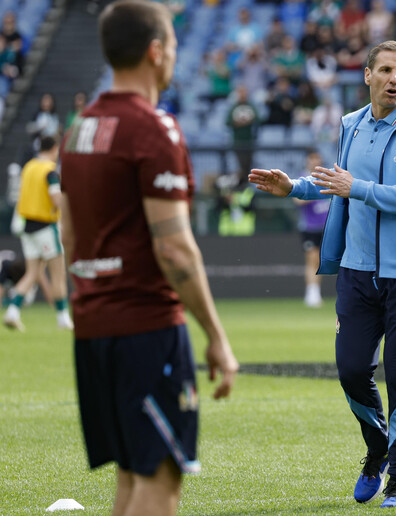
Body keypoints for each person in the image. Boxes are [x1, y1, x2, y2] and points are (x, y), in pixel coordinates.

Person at [58, 3, 238, 515]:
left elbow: (68, 233)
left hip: (94, 327)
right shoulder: (154, 129)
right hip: (147, 328)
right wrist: (216, 337)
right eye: (174, 47)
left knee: (132, 477)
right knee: (159, 483)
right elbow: (174, 248)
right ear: (156, 51)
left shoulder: (79, 129)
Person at [249, 40, 396, 508]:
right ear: (367, 75)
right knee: (352, 371)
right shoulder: (351, 124)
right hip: (357, 272)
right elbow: (338, 185)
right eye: (387, 70)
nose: (395, 80)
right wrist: (294, 188)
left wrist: (357, 187)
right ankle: (378, 449)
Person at [3, 136, 72, 331]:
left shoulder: (29, 167)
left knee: (32, 273)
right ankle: (63, 318)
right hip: (46, 226)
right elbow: (56, 198)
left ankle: (12, 311)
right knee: (58, 274)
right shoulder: (50, 170)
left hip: (27, 227)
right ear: (54, 149)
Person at [292, 150, 329, 308]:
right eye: (312, 159)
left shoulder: (326, 177)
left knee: (320, 261)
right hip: (309, 227)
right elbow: (297, 201)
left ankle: (315, 292)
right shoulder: (303, 178)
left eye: (317, 158)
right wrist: (314, 191)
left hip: (325, 226)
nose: (315, 161)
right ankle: (311, 293)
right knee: (312, 259)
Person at [226, 84, 260, 181]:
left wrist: (248, 121)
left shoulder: (251, 106)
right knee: (241, 165)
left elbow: (258, 119)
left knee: (248, 166)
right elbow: (228, 122)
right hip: (237, 142)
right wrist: (239, 123)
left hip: (249, 141)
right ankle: (242, 183)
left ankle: (246, 183)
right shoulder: (234, 107)